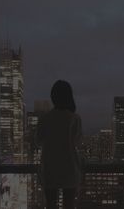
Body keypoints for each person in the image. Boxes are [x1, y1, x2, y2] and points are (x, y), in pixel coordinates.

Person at [35, 80, 82, 209]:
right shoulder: (74, 118)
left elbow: (38, 141)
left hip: (50, 167)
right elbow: (77, 141)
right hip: (70, 167)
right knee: (69, 205)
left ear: (53, 96)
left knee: (50, 205)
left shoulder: (45, 119)